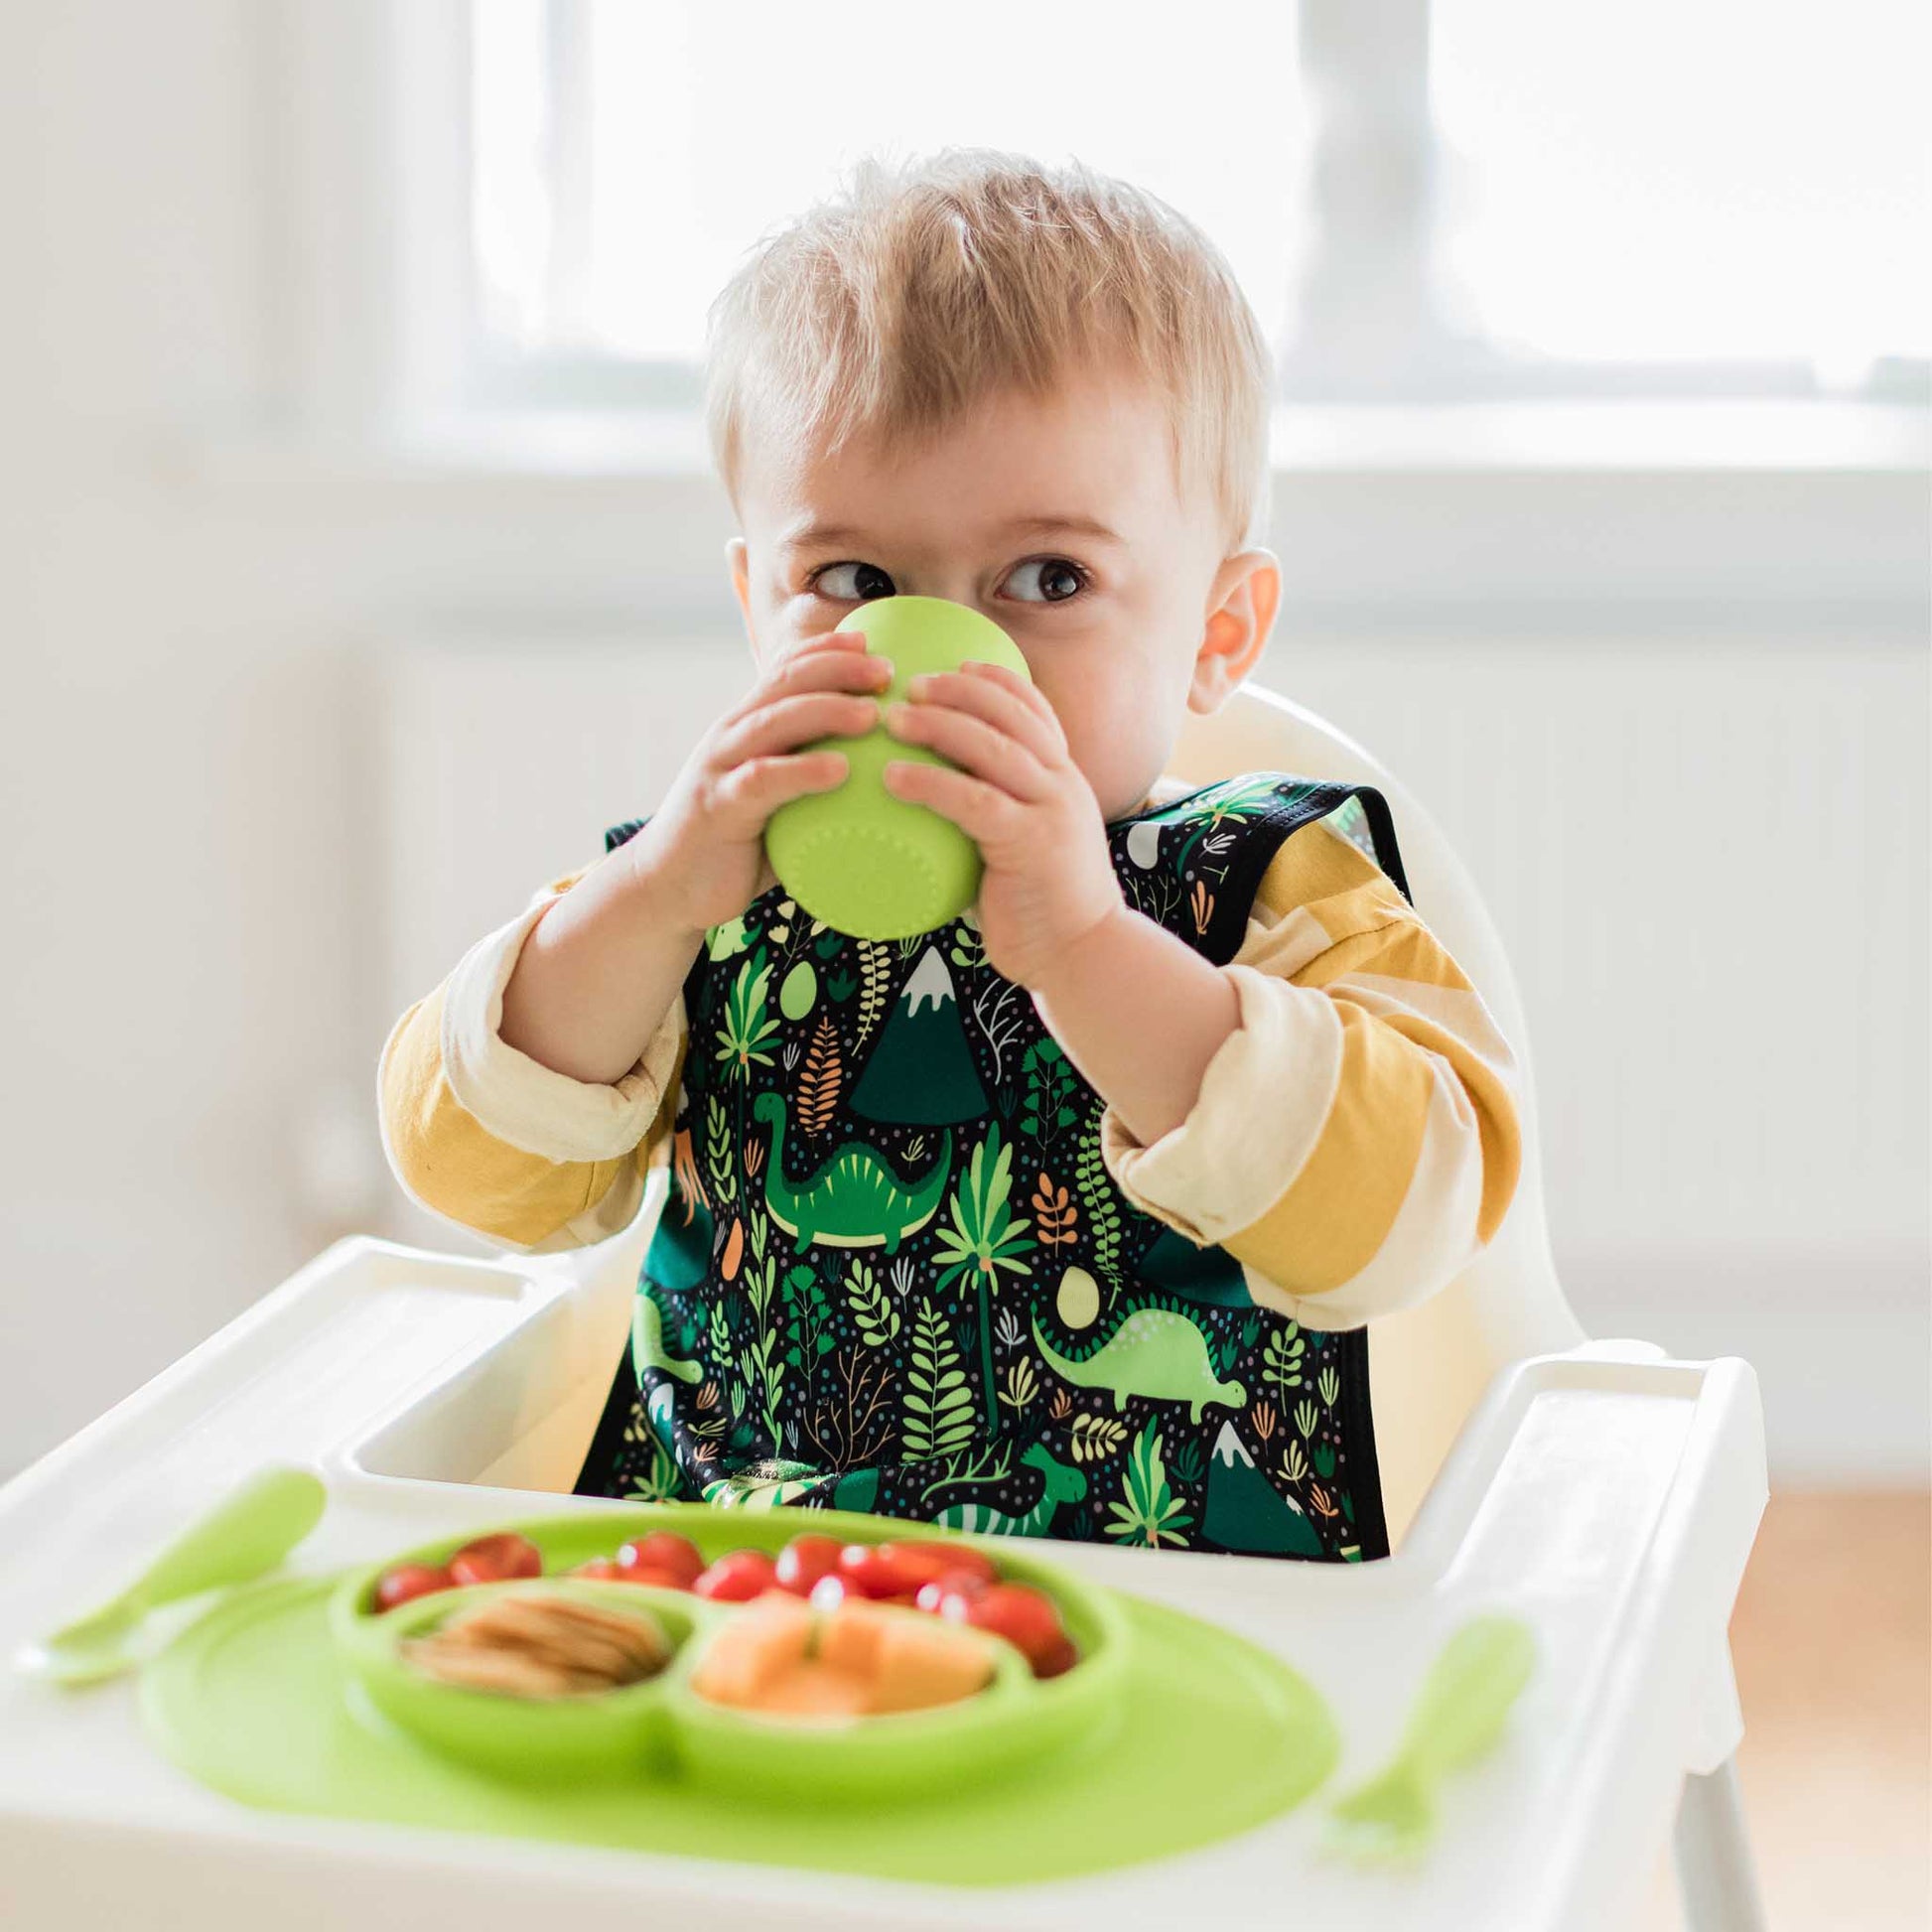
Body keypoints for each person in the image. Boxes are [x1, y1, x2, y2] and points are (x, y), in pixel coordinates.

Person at [379, 153, 1521, 1562]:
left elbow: (1408, 1220)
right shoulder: (696, 888)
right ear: (757, 601)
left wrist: (1095, 953)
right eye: (853, 582)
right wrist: (652, 895)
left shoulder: (1276, 891)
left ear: (1217, 630)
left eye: (1048, 580)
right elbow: (469, 1166)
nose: (944, 661)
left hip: (1163, 1623)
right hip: (728, 1588)